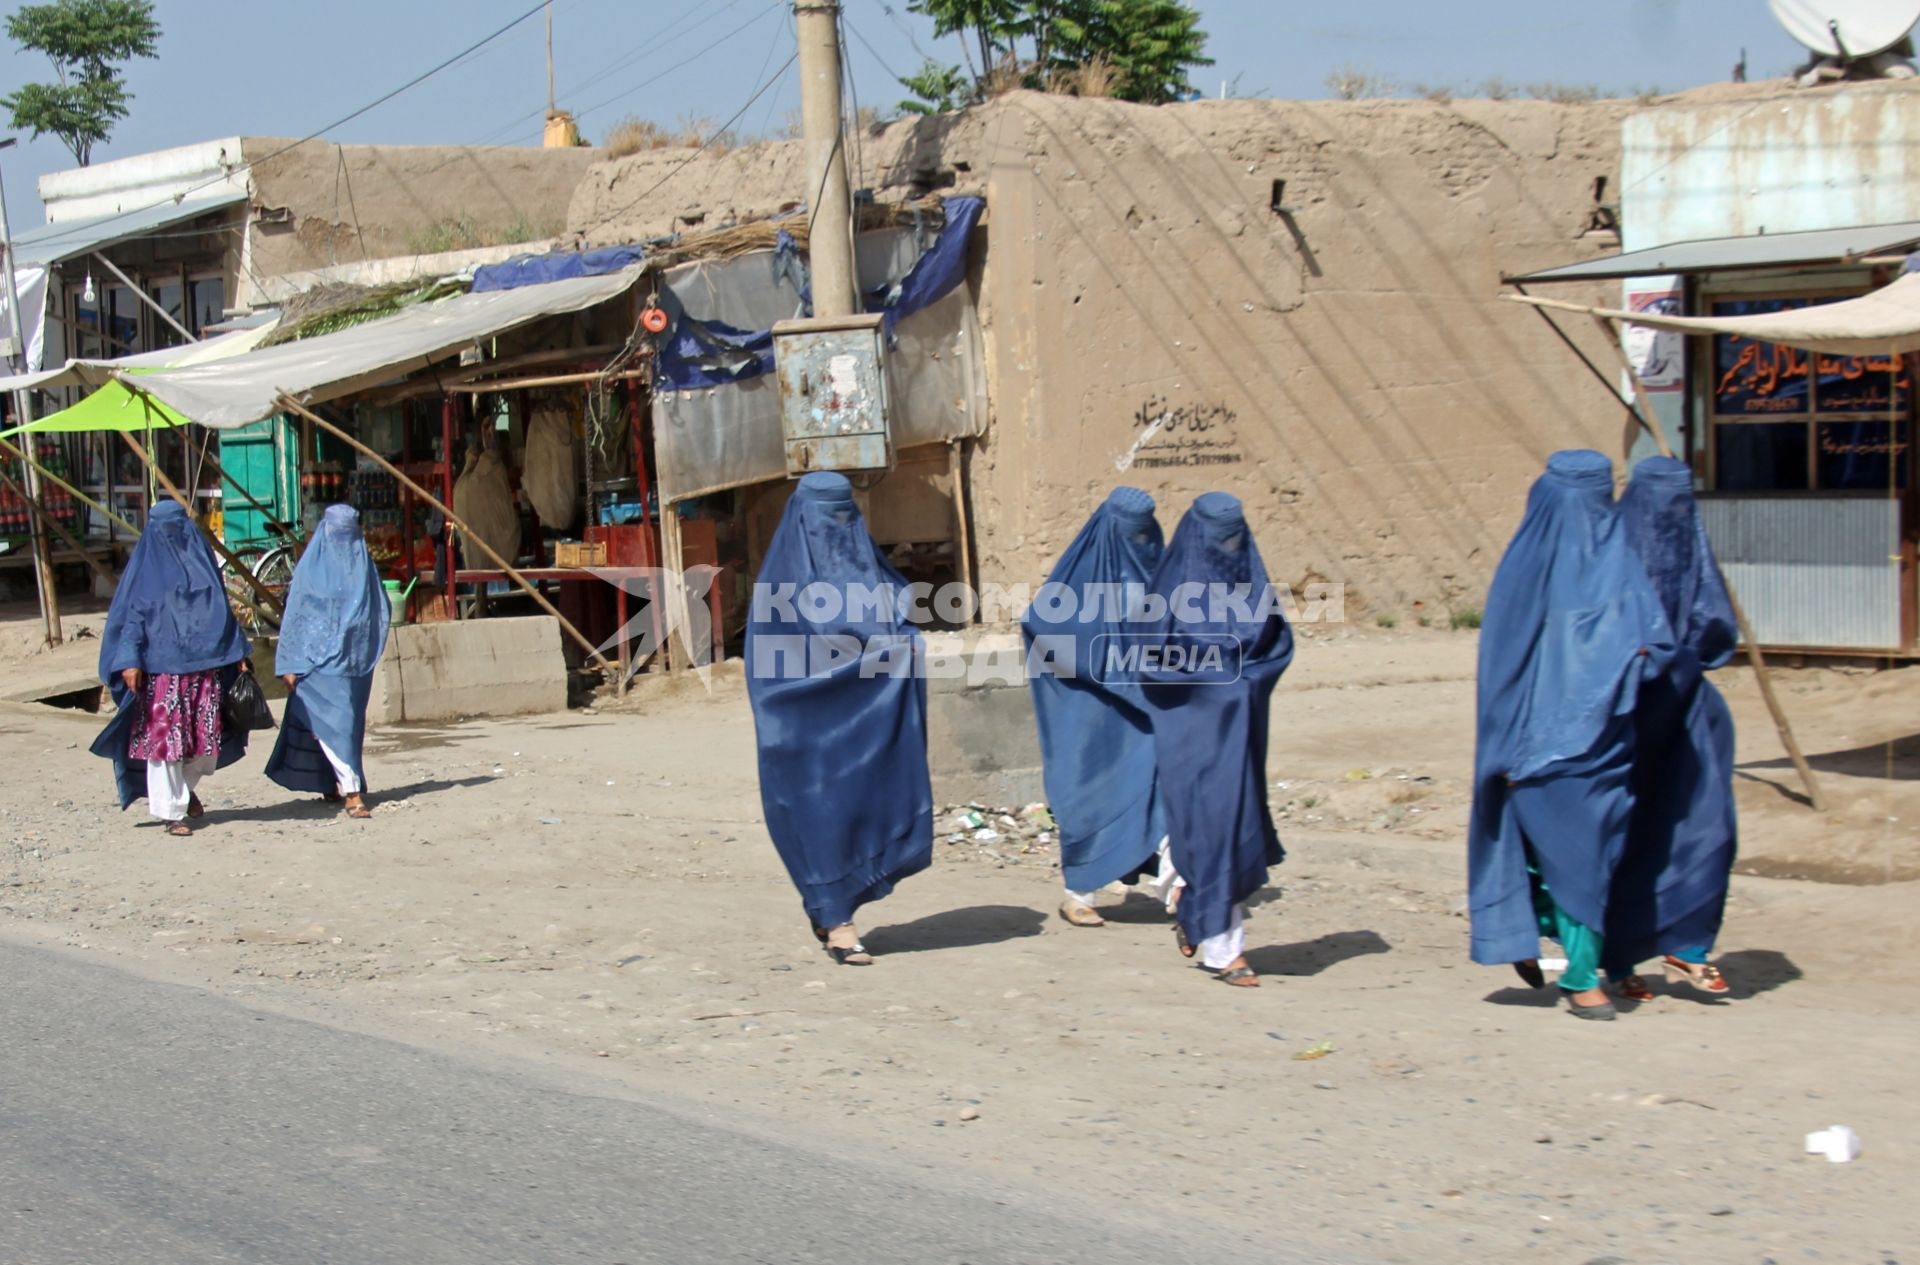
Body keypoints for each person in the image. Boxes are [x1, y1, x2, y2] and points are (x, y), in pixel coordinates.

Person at [1468, 450, 1676, 1020]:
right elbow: (1503, 666)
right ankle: (1582, 980)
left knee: (1592, 859)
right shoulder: (1527, 569)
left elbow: (1658, 648)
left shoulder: (1622, 567)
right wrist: (1506, 745)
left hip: (1606, 741)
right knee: (1570, 860)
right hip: (1537, 747)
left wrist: (1629, 659)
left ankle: (1539, 937)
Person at [745, 472, 933, 966]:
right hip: (806, 730)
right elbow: (774, 672)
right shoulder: (780, 591)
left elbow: (901, 623)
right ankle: (836, 919)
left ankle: (833, 907)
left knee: (862, 810)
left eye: (845, 517)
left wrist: (903, 648)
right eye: (827, 519)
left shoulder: (875, 573)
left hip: (868, 724)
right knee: (822, 815)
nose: (838, 528)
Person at [1136, 492, 1294, 987]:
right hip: (1192, 733)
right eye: (1217, 539)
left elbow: (1277, 645)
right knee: (1208, 827)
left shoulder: (1252, 589)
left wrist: (1245, 680)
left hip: (1240, 734)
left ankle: (1196, 908)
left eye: (1235, 538)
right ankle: (1223, 947)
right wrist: (1208, 682)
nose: (1227, 549)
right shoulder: (1170, 594)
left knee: (1233, 826)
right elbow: (1149, 658)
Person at [1602, 456, 1739, 1000]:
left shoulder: (1695, 556)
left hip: (1685, 708)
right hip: (1621, 706)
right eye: (1659, 505)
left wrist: (1680, 662)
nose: (1669, 519)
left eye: (1681, 505)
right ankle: (1616, 960)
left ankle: (1689, 944)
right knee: (1623, 833)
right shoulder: (1605, 556)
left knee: (1707, 827)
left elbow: (1714, 626)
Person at [1022, 487, 1169, 927]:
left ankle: (1183, 887)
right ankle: (1078, 892)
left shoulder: (1157, 569)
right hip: (1090, 713)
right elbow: (1043, 625)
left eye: (1146, 533)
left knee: (1161, 791)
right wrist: (1106, 668)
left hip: (1146, 712)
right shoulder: (1081, 576)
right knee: (1091, 798)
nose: (1139, 541)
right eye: (1131, 533)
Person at [90, 500, 254, 836]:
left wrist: (237, 651)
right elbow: (133, 617)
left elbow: (220, 608)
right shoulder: (146, 571)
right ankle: (171, 813)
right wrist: (130, 660)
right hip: (163, 673)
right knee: (165, 746)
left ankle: (183, 789)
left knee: (206, 747)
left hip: (203, 670)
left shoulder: (202, 563)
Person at [265, 504, 388, 818]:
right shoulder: (310, 570)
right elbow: (297, 616)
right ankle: (353, 791)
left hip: (355, 661)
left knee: (348, 723)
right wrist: (290, 662)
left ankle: (332, 781)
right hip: (317, 661)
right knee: (340, 720)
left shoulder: (365, 567)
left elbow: (379, 610)